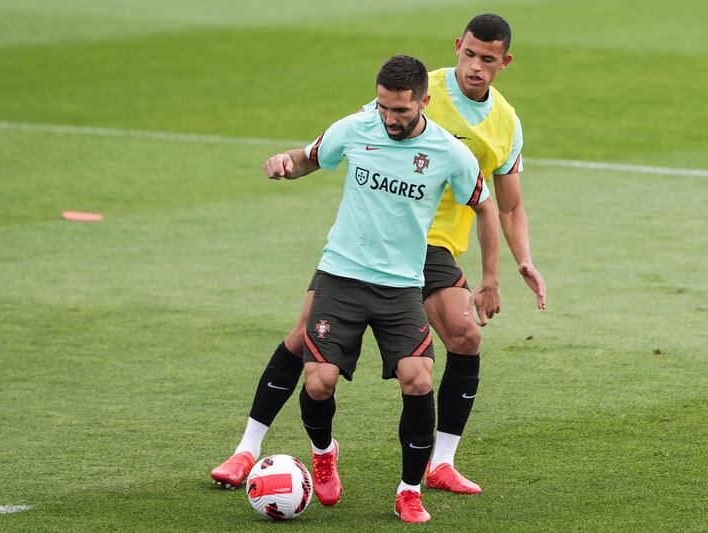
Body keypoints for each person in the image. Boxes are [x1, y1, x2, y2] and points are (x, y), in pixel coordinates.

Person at [212, 13, 546, 496]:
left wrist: (520, 263)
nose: (475, 66)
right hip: (371, 243)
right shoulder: (413, 88)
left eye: (487, 60)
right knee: (306, 336)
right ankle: (247, 447)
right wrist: (293, 161)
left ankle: (442, 463)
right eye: (469, 54)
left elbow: (507, 205)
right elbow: (364, 134)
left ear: (504, 63)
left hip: (432, 249)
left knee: (466, 336)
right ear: (458, 47)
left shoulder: (505, 122)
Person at [257, 54, 499, 523]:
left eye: (401, 111)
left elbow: (485, 207)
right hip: (342, 275)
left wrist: (490, 280)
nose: (389, 118)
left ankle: (409, 490)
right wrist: (285, 164)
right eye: (384, 107)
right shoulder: (357, 126)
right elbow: (309, 159)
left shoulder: (449, 152)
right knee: (319, 382)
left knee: (419, 377)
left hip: (401, 287)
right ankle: (324, 452)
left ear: (423, 102)